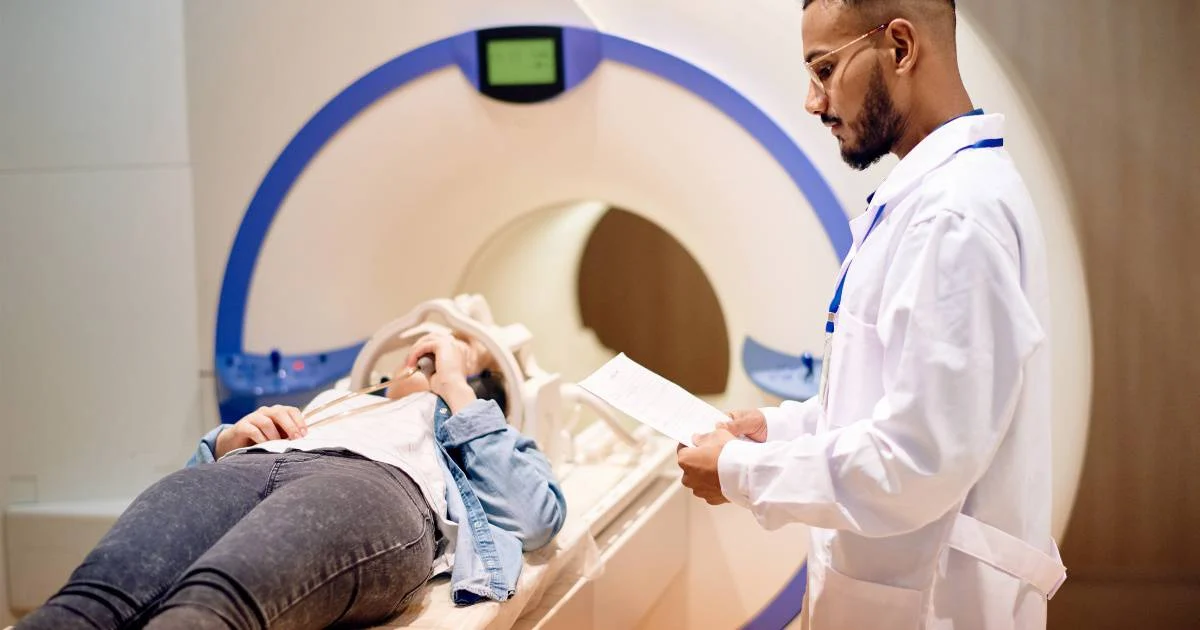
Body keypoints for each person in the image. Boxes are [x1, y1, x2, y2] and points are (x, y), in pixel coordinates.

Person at [676, 1, 1065, 628]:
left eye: (824, 69)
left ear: (901, 48)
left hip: (936, 604)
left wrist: (740, 472)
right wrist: (781, 429)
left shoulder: (955, 217)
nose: (813, 101)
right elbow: (900, 402)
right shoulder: (928, 199)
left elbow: (919, 460)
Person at [17, 332, 567, 629]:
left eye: (439, 364)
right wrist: (230, 442)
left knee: (208, 603)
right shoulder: (335, 400)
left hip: (367, 487)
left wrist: (456, 389)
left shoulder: (471, 426)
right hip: (247, 467)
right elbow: (193, 495)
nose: (417, 365)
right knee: (90, 601)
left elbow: (534, 518)